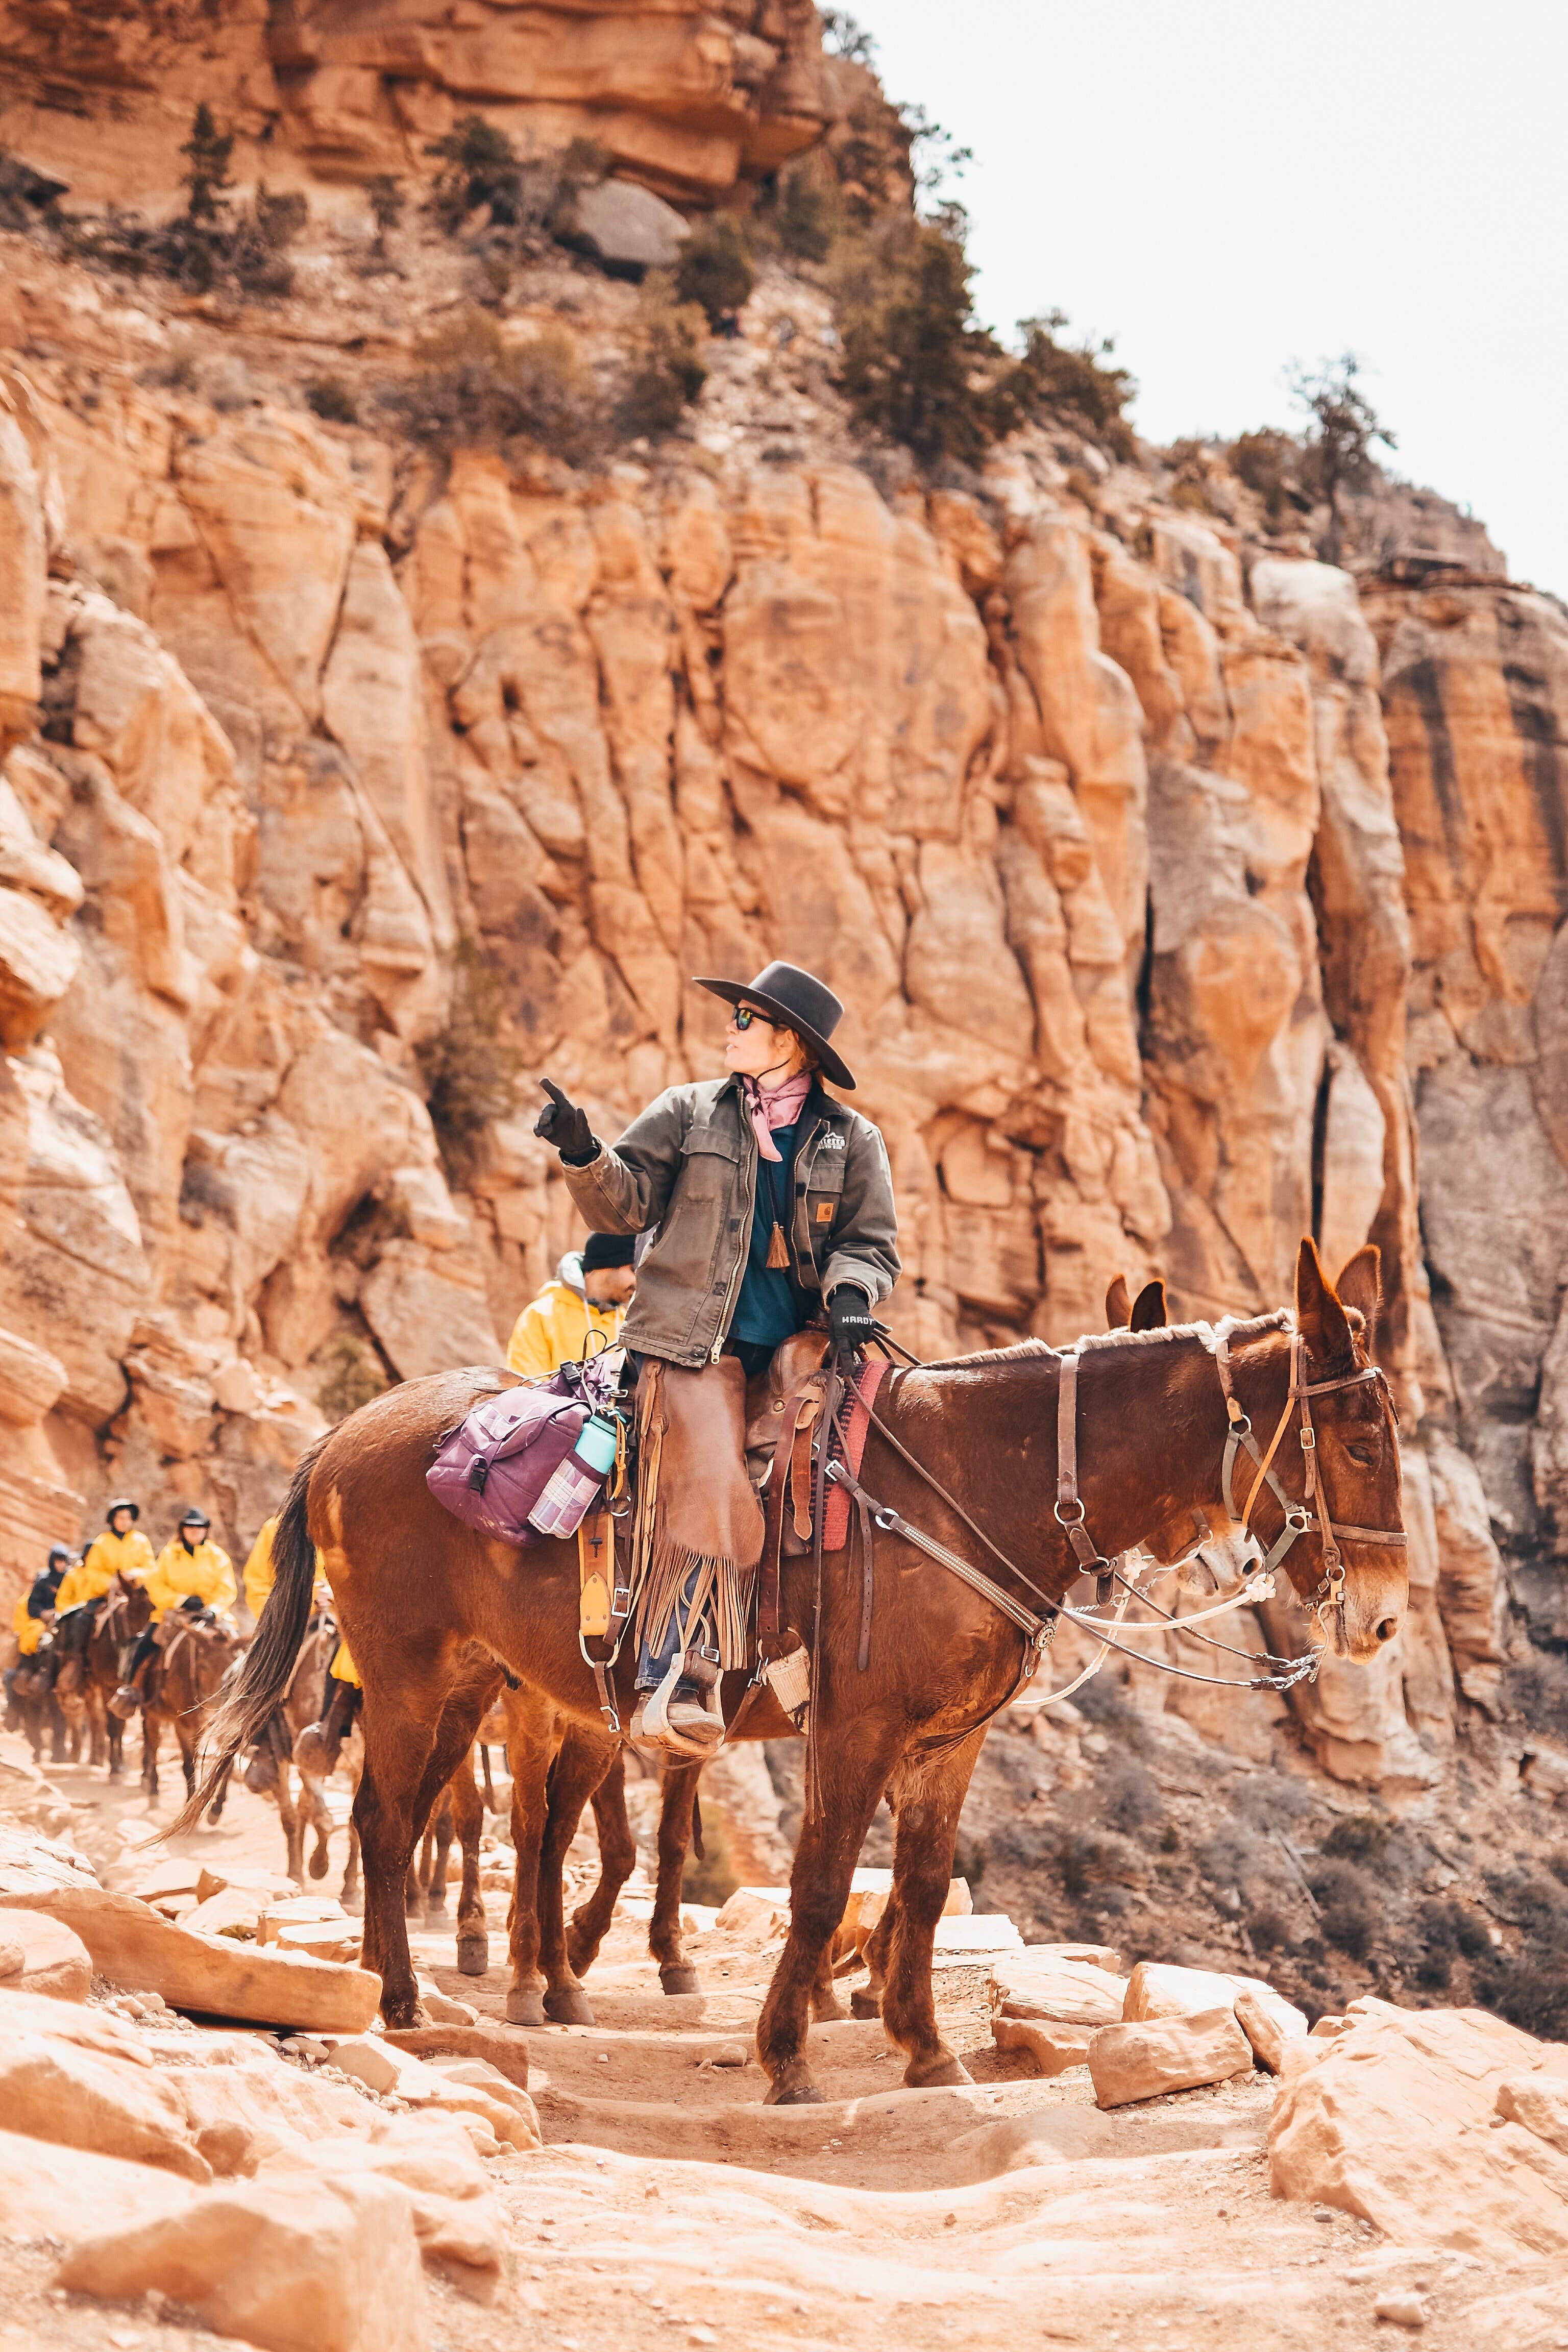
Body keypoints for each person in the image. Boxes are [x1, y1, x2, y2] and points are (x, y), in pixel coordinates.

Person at [533, 960, 898, 1753]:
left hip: (797, 1352)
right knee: (715, 1471)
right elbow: (624, 1205)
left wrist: (852, 1293)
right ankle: (682, 1668)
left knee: (864, 1463)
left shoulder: (853, 1141)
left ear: (789, 1042)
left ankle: (827, 1651)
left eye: (744, 1019)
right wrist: (583, 1151)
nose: (729, 1029)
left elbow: (870, 1244)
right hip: (686, 1346)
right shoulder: (688, 1112)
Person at [244, 1513, 359, 1780]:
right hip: (291, 1617)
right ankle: (262, 1746)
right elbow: (258, 1583)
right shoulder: (275, 1528)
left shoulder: (339, 1523)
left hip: (338, 1613)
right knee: (263, 1669)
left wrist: (337, 1594)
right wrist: (309, 1596)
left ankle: (340, 1731)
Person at [111, 1507, 235, 1716]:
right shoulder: (169, 1555)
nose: (194, 1531)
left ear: (206, 1530)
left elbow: (227, 1589)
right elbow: (156, 1586)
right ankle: (132, 1691)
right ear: (182, 1530)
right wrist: (182, 1600)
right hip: (173, 1614)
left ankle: (243, 1699)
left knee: (234, 1647)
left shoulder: (218, 1557)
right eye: (190, 1527)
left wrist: (214, 1610)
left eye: (199, 1527)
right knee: (145, 1645)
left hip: (210, 1615)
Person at [45, 1500, 155, 1692]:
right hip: (106, 1594)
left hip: (135, 1594)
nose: (124, 1521)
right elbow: (92, 1571)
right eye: (120, 1517)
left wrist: (135, 1576)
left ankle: (152, 1668)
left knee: (156, 1619)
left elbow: (151, 1568)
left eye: (128, 1518)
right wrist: (111, 1582)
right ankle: (78, 1664)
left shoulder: (141, 1541)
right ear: (112, 1520)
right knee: (82, 1619)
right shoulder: (102, 1542)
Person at [506, 1232, 637, 1379]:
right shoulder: (540, 1316)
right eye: (634, 1270)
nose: (639, 1282)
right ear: (608, 1264)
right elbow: (527, 1386)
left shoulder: (629, 1325)